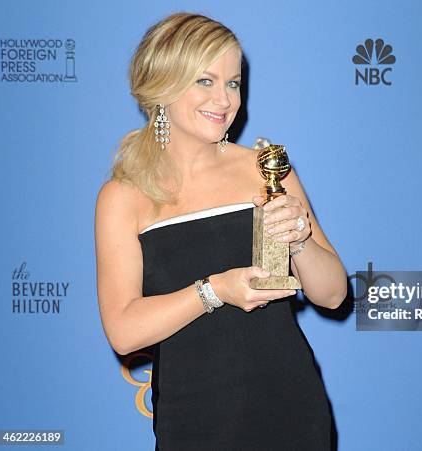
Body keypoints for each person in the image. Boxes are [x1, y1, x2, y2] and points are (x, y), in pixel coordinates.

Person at [94, 12, 347, 451]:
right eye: (205, 81)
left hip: (292, 408)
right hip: (193, 418)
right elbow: (123, 330)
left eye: (233, 82)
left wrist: (300, 240)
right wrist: (215, 290)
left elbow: (333, 293)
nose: (226, 99)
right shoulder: (124, 196)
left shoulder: (264, 168)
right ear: (163, 84)